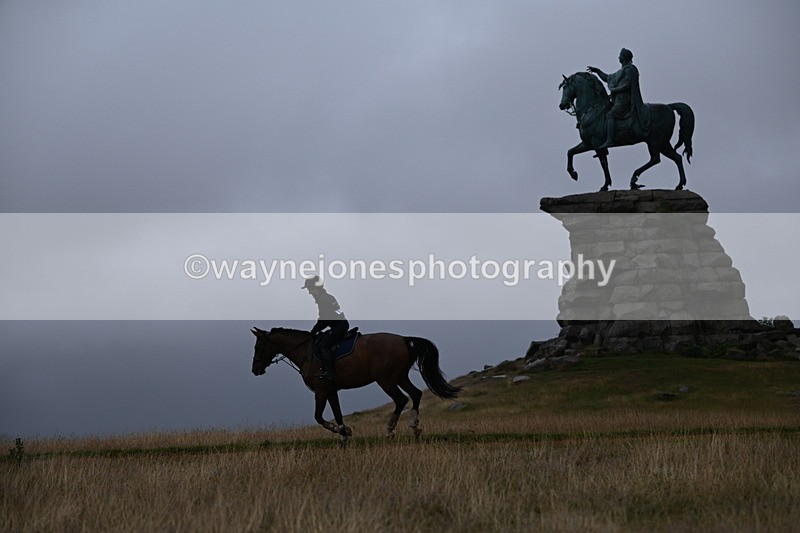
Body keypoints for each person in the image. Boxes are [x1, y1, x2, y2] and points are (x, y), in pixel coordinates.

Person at [587, 47, 650, 149]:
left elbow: (627, 84)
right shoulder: (621, 71)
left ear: (624, 57)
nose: (618, 57)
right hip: (618, 100)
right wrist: (597, 71)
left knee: (611, 114)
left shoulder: (630, 69)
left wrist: (615, 90)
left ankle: (610, 140)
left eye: (620, 55)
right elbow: (607, 78)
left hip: (625, 101)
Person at [303, 276, 349, 381]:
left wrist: (313, 331)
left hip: (339, 326)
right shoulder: (326, 297)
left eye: (310, 289)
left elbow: (324, 319)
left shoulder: (324, 299)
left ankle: (330, 371)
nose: (310, 293)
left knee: (323, 344)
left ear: (316, 288)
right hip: (339, 324)